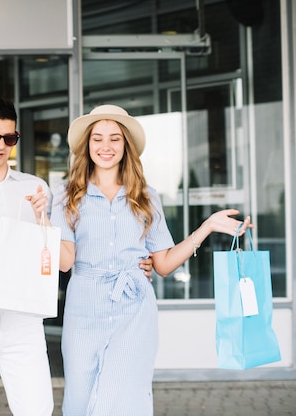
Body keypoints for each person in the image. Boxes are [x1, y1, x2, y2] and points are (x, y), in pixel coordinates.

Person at [0, 95, 154, 416]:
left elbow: (63, 246)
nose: (0, 145)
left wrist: (138, 260)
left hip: (23, 320)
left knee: (37, 409)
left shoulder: (36, 188)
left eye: (9, 138)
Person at [28, 104, 254, 416]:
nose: (105, 146)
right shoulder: (67, 194)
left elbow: (162, 263)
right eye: (98, 139)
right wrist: (43, 220)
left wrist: (207, 228)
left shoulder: (146, 195)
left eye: (114, 139)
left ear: (126, 146)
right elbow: (65, 262)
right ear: (87, 145)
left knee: (124, 401)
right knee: (79, 401)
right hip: (84, 309)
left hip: (134, 311)